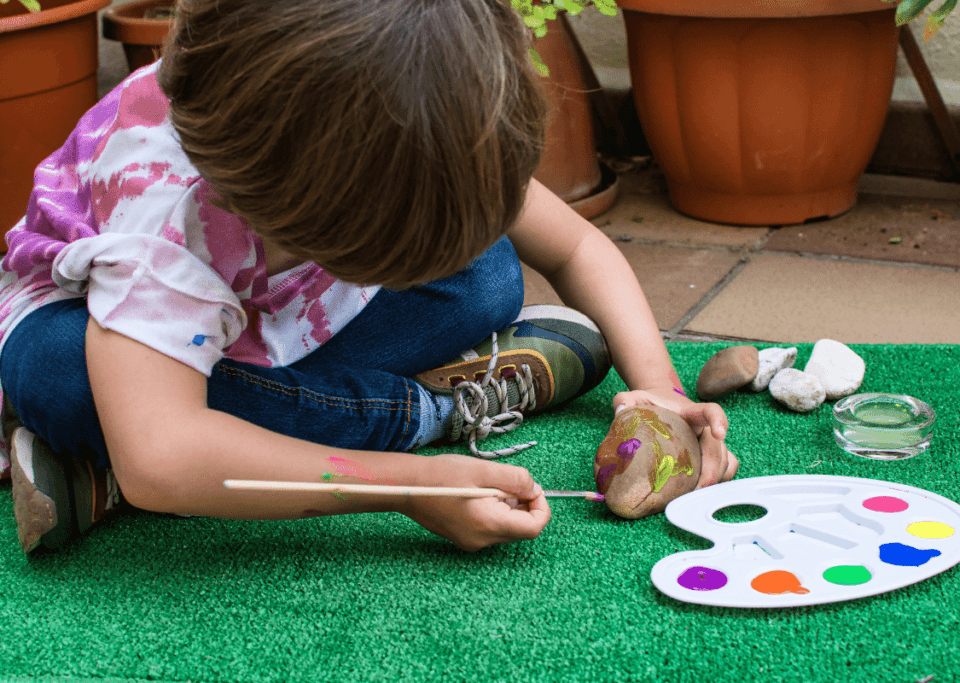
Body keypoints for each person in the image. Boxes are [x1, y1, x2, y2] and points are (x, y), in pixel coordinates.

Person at [0, 0, 737, 555]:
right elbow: (159, 454)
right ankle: (435, 409)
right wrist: (405, 483)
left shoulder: (411, 117)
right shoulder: (165, 209)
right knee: (68, 381)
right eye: (378, 254)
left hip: (270, 329)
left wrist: (658, 392)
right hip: (96, 328)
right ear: (300, 212)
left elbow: (576, 248)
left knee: (486, 275)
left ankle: (105, 477)